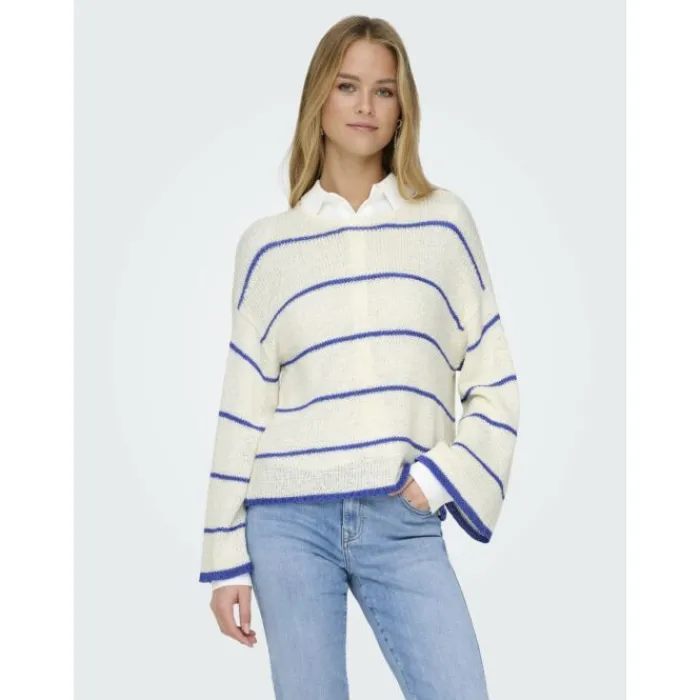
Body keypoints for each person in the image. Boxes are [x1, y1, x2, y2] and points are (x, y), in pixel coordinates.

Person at [199, 15, 520, 700]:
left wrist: (440, 478)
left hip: (401, 513)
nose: (366, 105)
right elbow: (242, 408)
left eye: (384, 89)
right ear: (319, 97)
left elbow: (495, 380)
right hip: (286, 519)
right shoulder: (267, 247)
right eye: (347, 86)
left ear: (403, 107)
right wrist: (224, 558)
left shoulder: (444, 223)